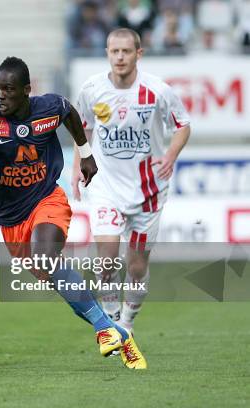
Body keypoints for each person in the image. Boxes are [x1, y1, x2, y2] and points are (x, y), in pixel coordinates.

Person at [0, 56, 147, 369]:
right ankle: (117, 332)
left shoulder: (48, 107)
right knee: (57, 279)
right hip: (11, 219)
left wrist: (86, 154)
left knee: (45, 257)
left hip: (48, 198)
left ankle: (104, 330)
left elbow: (69, 112)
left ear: (26, 90)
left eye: (8, 89)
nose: (1, 96)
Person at [73, 28, 191, 332]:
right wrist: (77, 167)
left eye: (126, 51)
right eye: (114, 51)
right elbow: (82, 130)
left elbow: (183, 125)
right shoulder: (92, 89)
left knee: (137, 267)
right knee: (108, 258)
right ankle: (111, 318)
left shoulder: (158, 91)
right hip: (105, 186)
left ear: (139, 54)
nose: (120, 57)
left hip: (148, 191)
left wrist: (171, 156)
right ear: (107, 54)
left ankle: (128, 320)